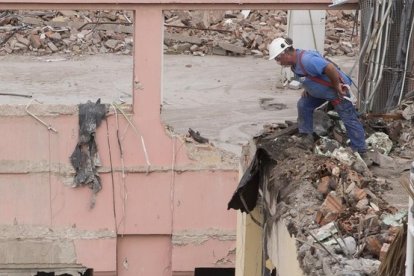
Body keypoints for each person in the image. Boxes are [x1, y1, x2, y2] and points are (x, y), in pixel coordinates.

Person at [268, 37, 367, 157]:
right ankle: (307, 137)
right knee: (303, 104)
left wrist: (337, 86)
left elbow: (329, 68)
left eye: (278, 59)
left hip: (336, 90)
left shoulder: (307, 60)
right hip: (321, 92)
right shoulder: (295, 64)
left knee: (348, 118)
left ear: (284, 53)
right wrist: (308, 89)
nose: (279, 63)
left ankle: (359, 149)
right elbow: (309, 76)